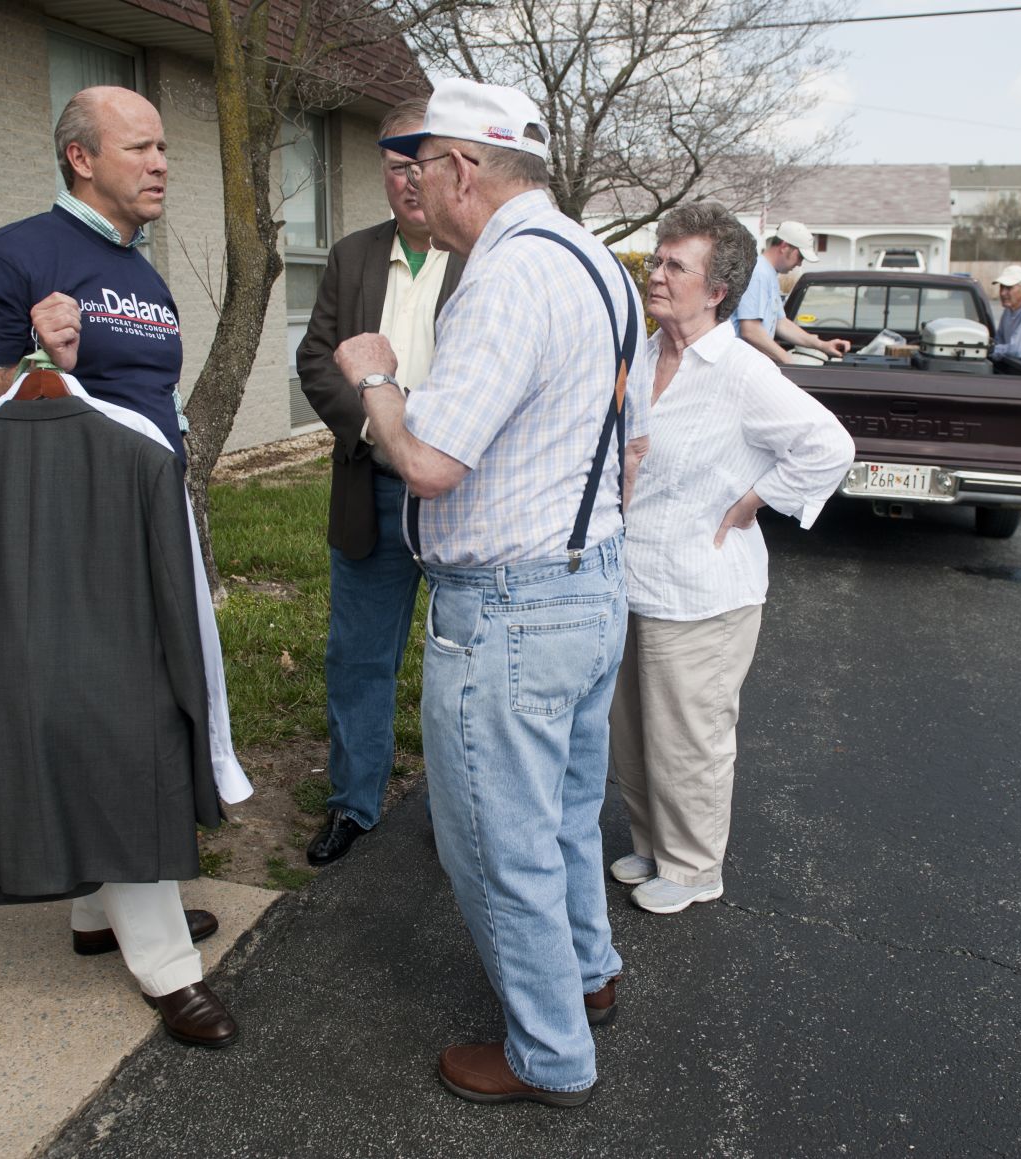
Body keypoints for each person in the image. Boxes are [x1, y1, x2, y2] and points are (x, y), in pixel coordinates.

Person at [333, 77, 650, 1108]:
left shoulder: (509, 276)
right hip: (590, 581)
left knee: (495, 844)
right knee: (562, 813)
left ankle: (549, 1053)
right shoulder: (601, 264)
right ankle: (589, 974)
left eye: (421, 168)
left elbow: (428, 463)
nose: (412, 188)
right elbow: (622, 440)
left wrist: (375, 375)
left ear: (465, 168)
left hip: (511, 607)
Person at [0, 86, 238, 1048]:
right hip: (65, 547)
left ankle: (99, 914)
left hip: (149, 523)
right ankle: (166, 966)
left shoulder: (139, 272)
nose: (161, 163)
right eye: (140, 148)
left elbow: (152, 397)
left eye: (163, 150)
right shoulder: (12, 257)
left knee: (157, 710)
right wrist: (33, 358)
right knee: (126, 723)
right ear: (80, 159)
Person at [607, 202, 853, 915]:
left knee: (690, 733)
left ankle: (694, 865)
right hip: (634, 577)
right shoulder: (645, 354)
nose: (655, 274)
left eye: (673, 265)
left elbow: (829, 444)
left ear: (717, 289)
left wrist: (759, 498)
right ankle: (654, 843)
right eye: (656, 259)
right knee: (635, 729)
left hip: (704, 588)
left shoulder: (740, 369)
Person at [296, 98, 465, 867]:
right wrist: (377, 430)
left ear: (449, 169)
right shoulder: (353, 256)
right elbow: (315, 359)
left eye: (418, 165)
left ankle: (455, 810)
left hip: (465, 492)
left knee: (461, 661)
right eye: (394, 167)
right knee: (359, 655)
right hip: (374, 488)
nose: (406, 181)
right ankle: (354, 803)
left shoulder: (485, 255)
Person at [731, 220, 851, 365]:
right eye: (800, 256)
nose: (800, 263)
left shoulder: (769, 274)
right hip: (739, 364)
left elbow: (781, 323)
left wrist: (822, 345)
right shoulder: (758, 273)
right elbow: (750, 330)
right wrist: (789, 361)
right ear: (784, 246)